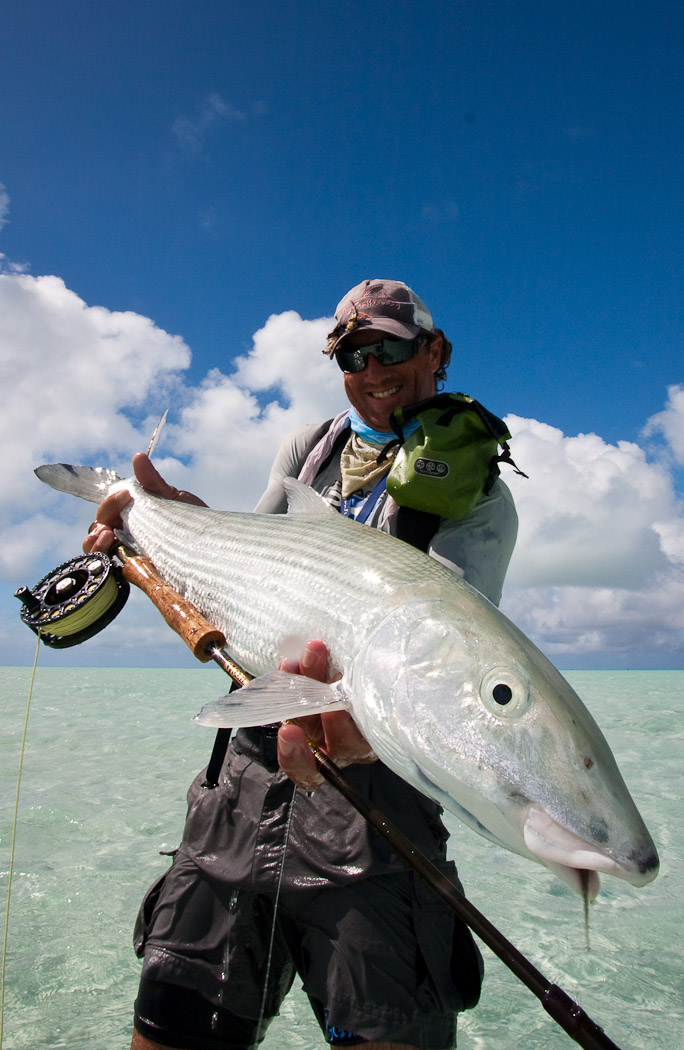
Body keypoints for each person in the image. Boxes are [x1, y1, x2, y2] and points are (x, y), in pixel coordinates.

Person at [85, 279, 518, 1050]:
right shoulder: (307, 448)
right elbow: (247, 571)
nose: (372, 369)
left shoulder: (478, 493)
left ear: (436, 351)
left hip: (377, 814)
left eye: (389, 348)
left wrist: (363, 736)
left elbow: (445, 666)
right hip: (241, 786)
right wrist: (168, 524)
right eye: (353, 356)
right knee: (168, 1027)